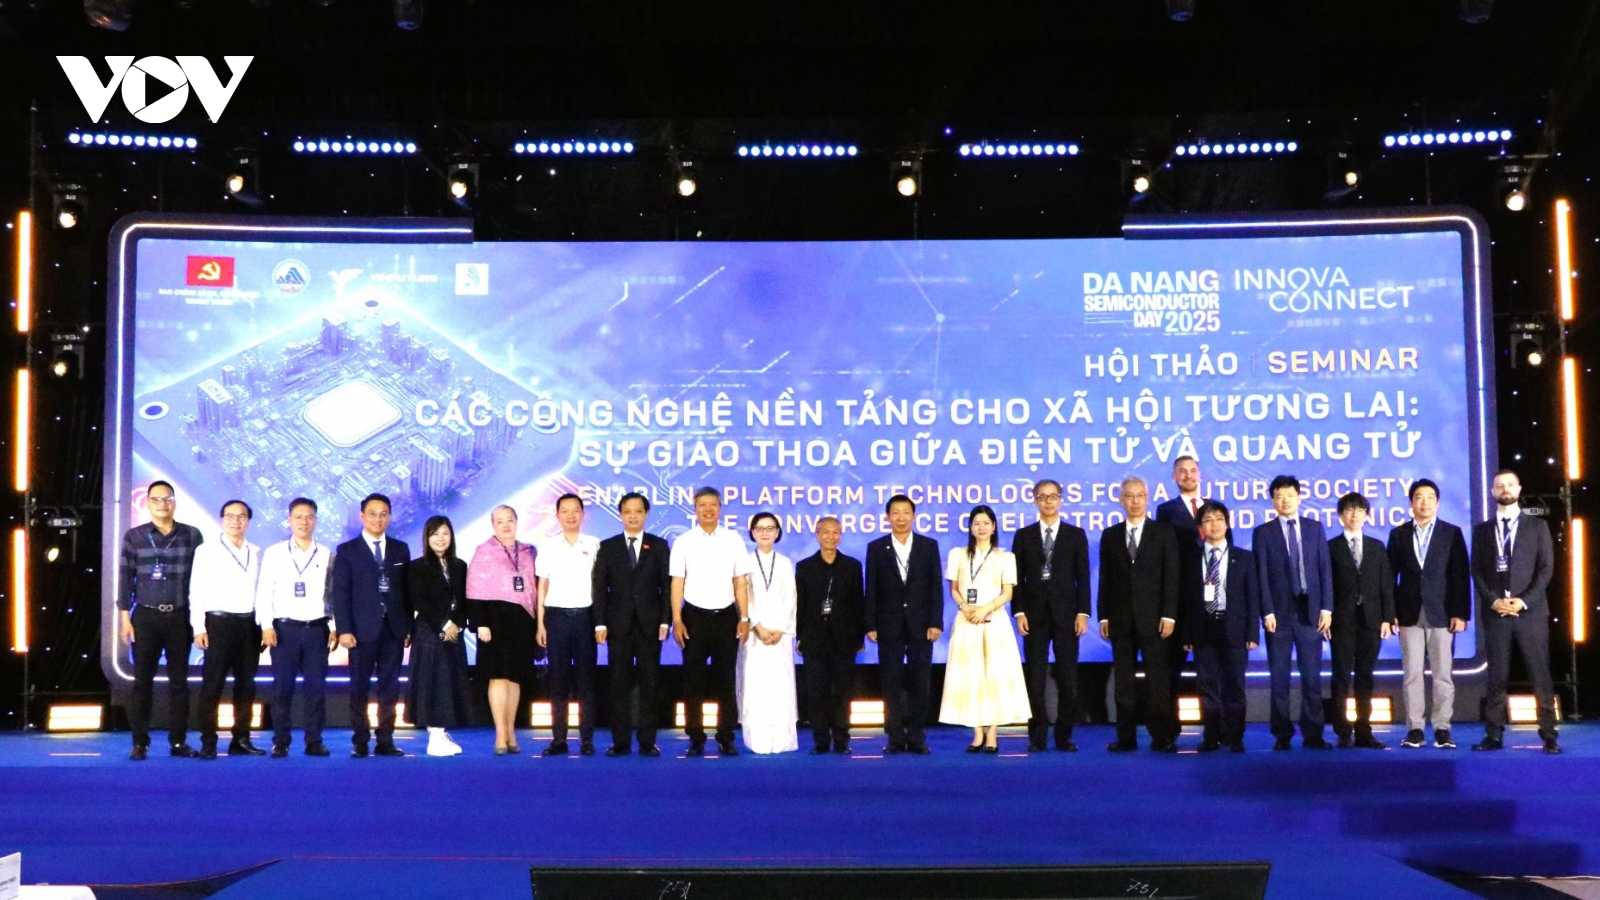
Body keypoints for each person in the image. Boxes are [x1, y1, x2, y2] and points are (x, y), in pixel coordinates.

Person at [1471, 469, 1560, 754]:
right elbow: (1477, 571)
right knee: (1496, 675)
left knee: (1539, 672)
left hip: (1530, 612)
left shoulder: (1537, 526)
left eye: (1510, 484)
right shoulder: (1482, 531)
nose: (1505, 489)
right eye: (1500, 485)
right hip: (1496, 611)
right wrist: (1493, 600)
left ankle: (1549, 734)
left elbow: (1546, 569)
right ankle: (1493, 734)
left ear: (1519, 490)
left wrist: (1523, 601)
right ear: (1493, 492)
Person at [118, 480, 205, 760]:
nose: (162, 504)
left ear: (175, 502)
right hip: (145, 616)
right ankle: (140, 743)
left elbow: (203, 579)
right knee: (142, 682)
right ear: (148, 503)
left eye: (167, 498)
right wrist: (124, 618)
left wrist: (200, 620)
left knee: (179, 684)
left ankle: (178, 742)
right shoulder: (134, 536)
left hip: (180, 616)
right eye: (156, 499)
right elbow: (125, 578)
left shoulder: (192, 535)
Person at [1098, 476, 1180, 753]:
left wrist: (1169, 614)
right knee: (1124, 683)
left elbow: (1171, 576)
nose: (1135, 501)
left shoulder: (1163, 532)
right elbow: (1106, 579)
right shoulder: (1110, 535)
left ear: (1148, 498)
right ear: (1121, 500)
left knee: (1158, 682)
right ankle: (1126, 737)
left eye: (1140, 496)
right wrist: (1104, 616)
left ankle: (1162, 736)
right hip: (1120, 619)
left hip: (1155, 620)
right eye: (1129, 496)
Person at [1252, 475, 1335, 751]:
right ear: (1273, 501)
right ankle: (1282, 734)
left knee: (1312, 677)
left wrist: (1327, 608)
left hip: (1310, 613)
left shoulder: (1314, 528)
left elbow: (1324, 569)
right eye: (1279, 496)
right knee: (1280, 678)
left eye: (1289, 495)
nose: (1285, 500)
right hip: (1279, 616)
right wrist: (1267, 611)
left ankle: (1313, 733)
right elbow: (1262, 576)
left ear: (1299, 497)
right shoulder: (1263, 532)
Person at [1387, 478, 1471, 750]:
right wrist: (1391, 613)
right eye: (1418, 498)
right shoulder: (1398, 534)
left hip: (1442, 613)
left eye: (1430, 497)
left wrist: (1460, 613)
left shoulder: (1451, 533)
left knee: (1442, 674)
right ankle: (1415, 729)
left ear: (1438, 502)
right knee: (1412, 674)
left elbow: (1460, 576)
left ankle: (1442, 728)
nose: (1424, 502)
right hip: (1408, 613)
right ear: (1411, 503)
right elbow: (1389, 578)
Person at [939, 505, 1030, 753]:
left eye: (986, 523)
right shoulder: (958, 554)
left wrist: (985, 609)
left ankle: (992, 733)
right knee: (971, 677)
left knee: (994, 677)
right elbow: (953, 589)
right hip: (967, 621)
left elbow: (1008, 593)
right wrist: (965, 607)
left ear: (994, 527)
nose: (981, 528)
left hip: (994, 622)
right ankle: (977, 732)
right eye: (976, 523)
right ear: (970, 527)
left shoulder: (1005, 558)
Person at [670, 487, 752, 757]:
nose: (708, 509)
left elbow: (740, 582)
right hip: (694, 618)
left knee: (726, 680)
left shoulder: (733, 540)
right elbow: (677, 583)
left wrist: (744, 617)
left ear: (720, 508)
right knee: (692, 681)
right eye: (702, 505)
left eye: (713, 505)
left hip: (726, 617)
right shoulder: (683, 541)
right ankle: (695, 738)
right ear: (695, 509)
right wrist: (677, 619)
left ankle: (726, 737)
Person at [330, 492, 412, 758]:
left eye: (383, 514)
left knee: (390, 687)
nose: (378, 519)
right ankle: (360, 741)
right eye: (373, 514)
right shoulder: (347, 551)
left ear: (389, 517)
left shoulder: (400, 549)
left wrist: (407, 627)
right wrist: (344, 629)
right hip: (360, 631)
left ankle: (385, 739)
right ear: (362, 516)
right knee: (359, 688)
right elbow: (340, 593)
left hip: (393, 629)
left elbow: (406, 591)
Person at [1010, 479, 1090, 752]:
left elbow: (1083, 577)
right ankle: (1038, 736)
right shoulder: (1023, 535)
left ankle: (1064, 736)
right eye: (1042, 497)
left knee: (1068, 679)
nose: (1048, 502)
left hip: (1067, 615)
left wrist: (1083, 613)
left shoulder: (1075, 535)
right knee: (1035, 679)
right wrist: (1019, 611)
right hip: (1033, 616)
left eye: (1053, 496)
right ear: (1035, 500)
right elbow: (1016, 578)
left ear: (1060, 499)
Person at [592, 492, 672, 757]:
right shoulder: (608, 547)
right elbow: (600, 588)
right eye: (628, 511)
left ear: (646, 514)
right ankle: (621, 742)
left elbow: (666, 587)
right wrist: (600, 624)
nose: (633, 516)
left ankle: (648, 742)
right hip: (618, 626)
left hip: (650, 626)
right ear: (620, 515)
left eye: (638, 511)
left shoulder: (659, 546)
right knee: (618, 686)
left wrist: (665, 621)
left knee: (650, 685)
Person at [256, 497, 335, 758]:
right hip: (284, 630)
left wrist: (334, 626)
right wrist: (266, 625)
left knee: (316, 689)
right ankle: (281, 741)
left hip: (317, 630)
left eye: (309, 517)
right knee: (282, 689)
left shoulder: (326, 554)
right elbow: (264, 591)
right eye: (298, 517)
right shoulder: (274, 552)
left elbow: (332, 594)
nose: (304, 522)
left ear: (316, 520)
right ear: (289, 520)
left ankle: (314, 741)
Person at [864, 494, 944, 755]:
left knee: (921, 683)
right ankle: (895, 738)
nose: (900, 518)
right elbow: (871, 588)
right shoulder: (876, 548)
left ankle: (917, 737)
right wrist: (870, 624)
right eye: (895, 513)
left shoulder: (928, 546)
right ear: (887, 517)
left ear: (914, 516)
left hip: (922, 625)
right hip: (888, 624)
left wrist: (936, 622)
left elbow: (935, 586)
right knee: (891, 683)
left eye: (906, 512)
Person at [1154, 455, 1226, 740]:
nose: (1188, 475)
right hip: (1180, 602)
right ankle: (1169, 732)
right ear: (1174, 477)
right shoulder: (1166, 511)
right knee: (1172, 670)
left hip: (1213, 605)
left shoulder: (1215, 509)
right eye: (1181, 472)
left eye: (1192, 470)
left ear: (1200, 473)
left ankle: (1218, 729)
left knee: (1213, 672)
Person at [1179, 502, 1260, 753]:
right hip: (1202, 628)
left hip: (1234, 628)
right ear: (1200, 527)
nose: (1214, 525)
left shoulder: (1244, 558)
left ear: (1227, 523)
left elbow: (1252, 598)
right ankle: (1211, 735)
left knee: (1235, 685)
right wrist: (1187, 634)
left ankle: (1235, 737)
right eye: (1208, 520)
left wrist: (1252, 632)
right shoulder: (1191, 559)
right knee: (1207, 685)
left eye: (1219, 519)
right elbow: (1185, 599)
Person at [190, 500, 265, 760]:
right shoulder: (206, 550)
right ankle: (208, 741)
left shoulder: (257, 552)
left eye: (241, 516)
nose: (236, 521)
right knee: (212, 685)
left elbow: (263, 592)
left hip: (249, 624)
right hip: (218, 623)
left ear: (248, 521)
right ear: (222, 519)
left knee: (246, 685)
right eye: (230, 516)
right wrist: (198, 627)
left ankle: (241, 739)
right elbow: (196, 590)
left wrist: (263, 624)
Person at [465, 504, 538, 755]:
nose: (505, 525)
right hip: (493, 622)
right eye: (500, 521)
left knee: (515, 677)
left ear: (517, 522)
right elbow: (474, 589)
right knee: (498, 676)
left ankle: (511, 732)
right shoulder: (484, 551)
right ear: (493, 525)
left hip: (522, 621)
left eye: (510, 520)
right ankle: (499, 735)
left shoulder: (528, 552)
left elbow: (535, 587)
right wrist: (480, 623)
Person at [1327, 492, 1396, 749]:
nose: (1354, 515)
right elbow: (1325, 586)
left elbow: (1386, 585)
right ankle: (1342, 730)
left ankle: (1364, 731)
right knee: (1341, 677)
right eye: (1349, 510)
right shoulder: (1330, 547)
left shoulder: (1377, 547)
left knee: (1365, 677)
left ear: (1366, 515)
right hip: (1341, 621)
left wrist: (1387, 618)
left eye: (1359, 510)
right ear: (1340, 516)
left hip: (1371, 620)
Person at [536, 493, 601, 756]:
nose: (571, 515)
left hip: (585, 618)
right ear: (558, 515)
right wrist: (540, 624)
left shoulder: (594, 544)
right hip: (556, 619)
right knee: (558, 682)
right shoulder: (548, 545)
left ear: (583, 514)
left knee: (586, 682)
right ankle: (559, 739)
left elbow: (600, 586)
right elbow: (542, 585)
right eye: (565, 511)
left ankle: (586, 739)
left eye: (576, 510)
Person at [795, 516, 865, 755]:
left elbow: (858, 604)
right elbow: (800, 605)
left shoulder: (852, 566)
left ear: (841, 535)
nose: (830, 537)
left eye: (835, 532)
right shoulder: (804, 567)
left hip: (845, 639)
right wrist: (799, 635)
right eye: (825, 532)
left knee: (842, 692)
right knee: (816, 692)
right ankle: (821, 740)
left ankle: (842, 740)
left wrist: (859, 637)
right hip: (814, 639)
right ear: (817, 535)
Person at [407, 516, 473, 757]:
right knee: (432, 683)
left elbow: (465, 600)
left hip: (454, 634)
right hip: (429, 633)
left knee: (449, 684)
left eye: (445, 533)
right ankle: (434, 737)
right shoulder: (417, 567)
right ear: (427, 538)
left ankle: (441, 733)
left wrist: (458, 625)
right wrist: (444, 625)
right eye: (435, 534)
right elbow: (420, 601)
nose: (440, 539)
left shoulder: (460, 565)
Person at [737, 512, 799, 754]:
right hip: (754, 634)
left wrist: (781, 628)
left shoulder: (784, 562)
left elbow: (791, 598)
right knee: (755, 685)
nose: (765, 533)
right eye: (760, 528)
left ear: (777, 533)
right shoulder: (744, 562)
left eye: (770, 528)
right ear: (752, 532)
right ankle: (758, 740)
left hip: (779, 636)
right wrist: (757, 626)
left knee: (780, 686)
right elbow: (742, 597)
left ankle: (781, 740)